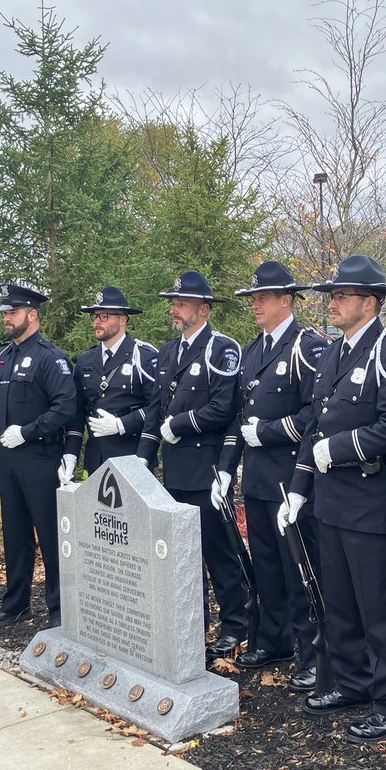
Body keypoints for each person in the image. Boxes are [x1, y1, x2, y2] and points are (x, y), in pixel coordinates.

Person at [278, 255, 386, 744]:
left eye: (340, 296)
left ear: (370, 302)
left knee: (379, 607)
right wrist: (299, 490)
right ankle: (354, 683)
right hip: (331, 501)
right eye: (331, 296)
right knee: (340, 601)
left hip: (371, 498)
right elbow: (314, 428)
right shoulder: (331, 355)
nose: (332, 304)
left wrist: (336, 449)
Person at [213, 261, 326, 691]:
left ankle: (313, 652)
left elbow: (315, 413)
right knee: (266, 566)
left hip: (291, 476)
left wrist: (270, 432)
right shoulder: (252, 350)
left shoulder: (307, 346)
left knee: (299, 568)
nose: (256, 305)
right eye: (253, 298)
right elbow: (239, 416)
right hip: (258, 478)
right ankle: (274, 640)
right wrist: (227, 468)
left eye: (263, 298)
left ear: (286, 300)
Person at [137, 271, 246, 659]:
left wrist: (179, 424)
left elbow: (224, 407)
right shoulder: (168, 352)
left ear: (204, 309)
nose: (174, 309)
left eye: (181, 304)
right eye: (174, 303)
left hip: (207, 469)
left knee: (219, 554)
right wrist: (142, 461)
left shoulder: (223, 349)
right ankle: (192, 626)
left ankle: (236, 624)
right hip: (175, 472)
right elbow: (154, 410)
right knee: (183, 557)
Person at [0, 281, 77, 630]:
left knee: (50, 534)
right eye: (5, 313)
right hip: (8, 462)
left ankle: (60, 608)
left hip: (41, 459)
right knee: (15, 534)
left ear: (32, 314)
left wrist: (29, 431)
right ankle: (16, 604)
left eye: (13, 313)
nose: (7, 319)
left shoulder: (49, 357)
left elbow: (66, 406)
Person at [63, 287, 158, 479]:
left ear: (123, 319)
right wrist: (71, 453)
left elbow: (158, 407)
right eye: (96, 316)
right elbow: (77, 412)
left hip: (133, 455)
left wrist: (122, 424)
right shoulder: (86, 360)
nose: (97, 321)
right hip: (96, 458)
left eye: (104, 316)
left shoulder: (143, 356)